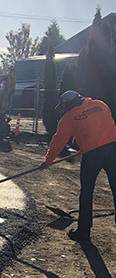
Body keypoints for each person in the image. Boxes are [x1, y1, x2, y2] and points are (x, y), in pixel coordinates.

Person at [40, 90, 116, 242]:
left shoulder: (68, 118)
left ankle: (83, 232)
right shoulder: (100, 104)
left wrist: (48, 160)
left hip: (92, 156)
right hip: (113, 149)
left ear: (67, 104)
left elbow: (58, 141)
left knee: (86, 192)